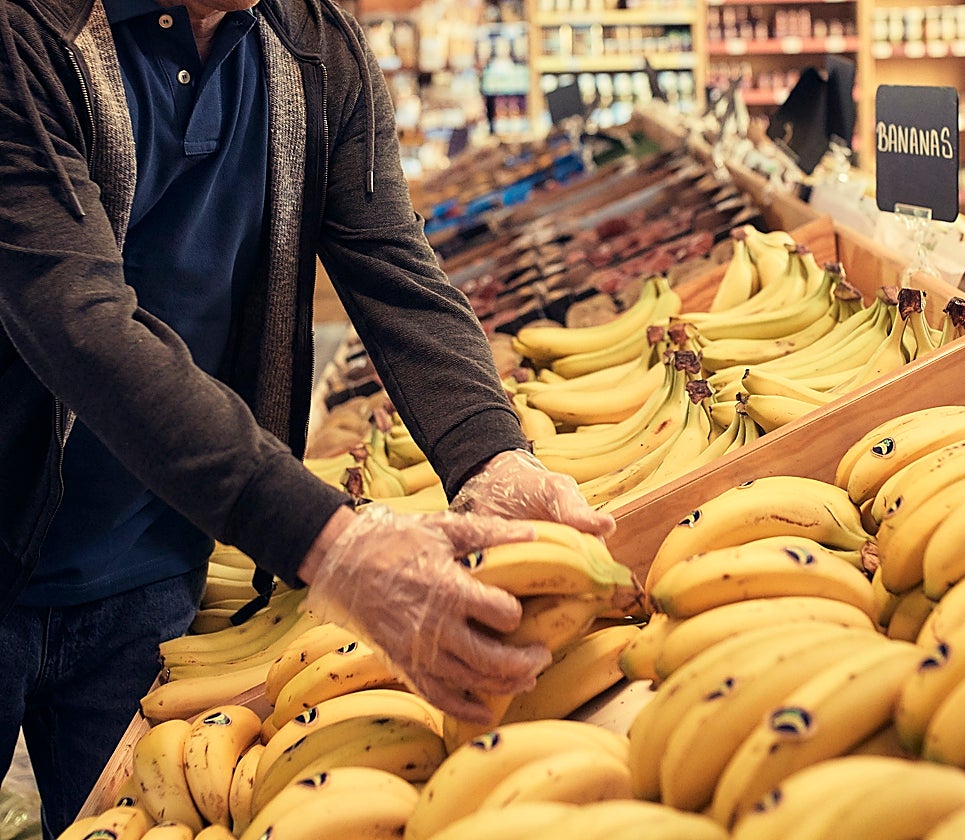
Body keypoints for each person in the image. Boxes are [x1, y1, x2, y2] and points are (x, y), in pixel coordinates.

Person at [0, 0, 616, 833]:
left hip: (151, 568)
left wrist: (489, 453)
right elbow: (76, 319)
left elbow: (392, 263)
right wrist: (333, 544)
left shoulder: (315, 47)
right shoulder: (28, 33)